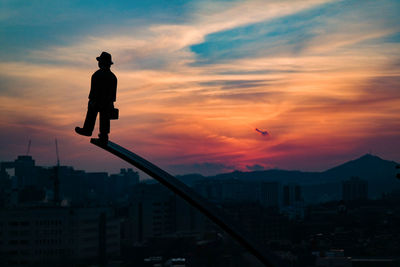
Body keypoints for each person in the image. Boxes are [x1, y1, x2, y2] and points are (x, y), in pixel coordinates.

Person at [75, 52, 117, 143]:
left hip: (97, 102)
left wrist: (92, 101)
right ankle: (104, 135)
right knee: (104, 118)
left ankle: (88, 130)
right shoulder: (113, 77)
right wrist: (111, 103)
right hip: (107, 103)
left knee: (92, 113)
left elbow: (93, 91)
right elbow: (113, 95)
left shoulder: (97, 75)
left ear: (101, 63)